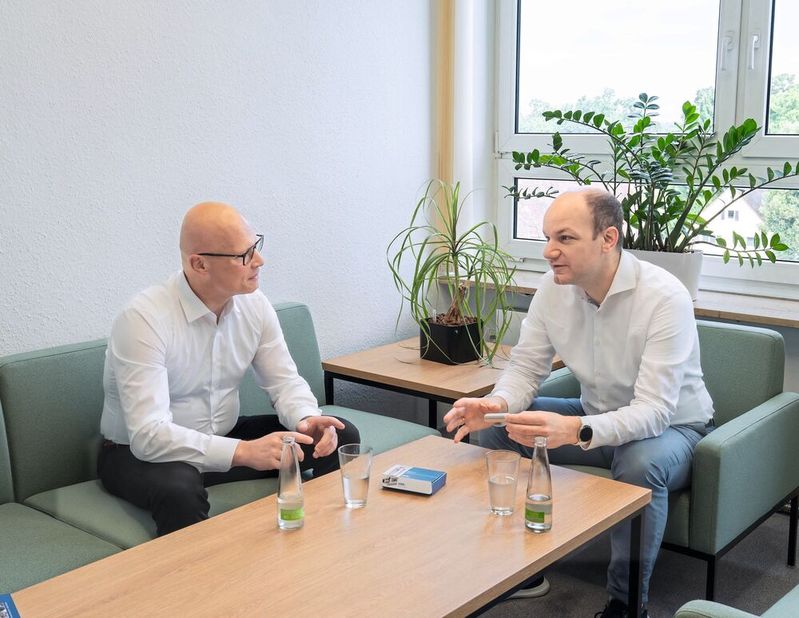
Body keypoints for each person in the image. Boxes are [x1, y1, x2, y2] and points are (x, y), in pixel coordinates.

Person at [443, 189, 714, 618]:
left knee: (639, 464)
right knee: (496, 428)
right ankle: (519, 571)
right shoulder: (554, 290)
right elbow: (527, 368)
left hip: (672, 429)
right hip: (594, 415)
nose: (550, 251)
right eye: (548, 237)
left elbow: (655, 410)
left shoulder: (665, 297)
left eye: (565, 238)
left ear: (608, 239)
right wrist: (495, 403)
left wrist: (577, 430)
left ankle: (626, 605)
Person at [99, 201, 359, 536]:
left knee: (339, 436)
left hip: (222, 436)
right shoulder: (144, 319)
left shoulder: (254, 304)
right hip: (138, 455)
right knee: (179, 489)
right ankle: (199, 584)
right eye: (244, 255)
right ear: (199, 264)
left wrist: (306, 419)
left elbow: (284, 382)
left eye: (257, 247)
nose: (259, 261)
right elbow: (149, 436)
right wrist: (244, 452)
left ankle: (319, 553)